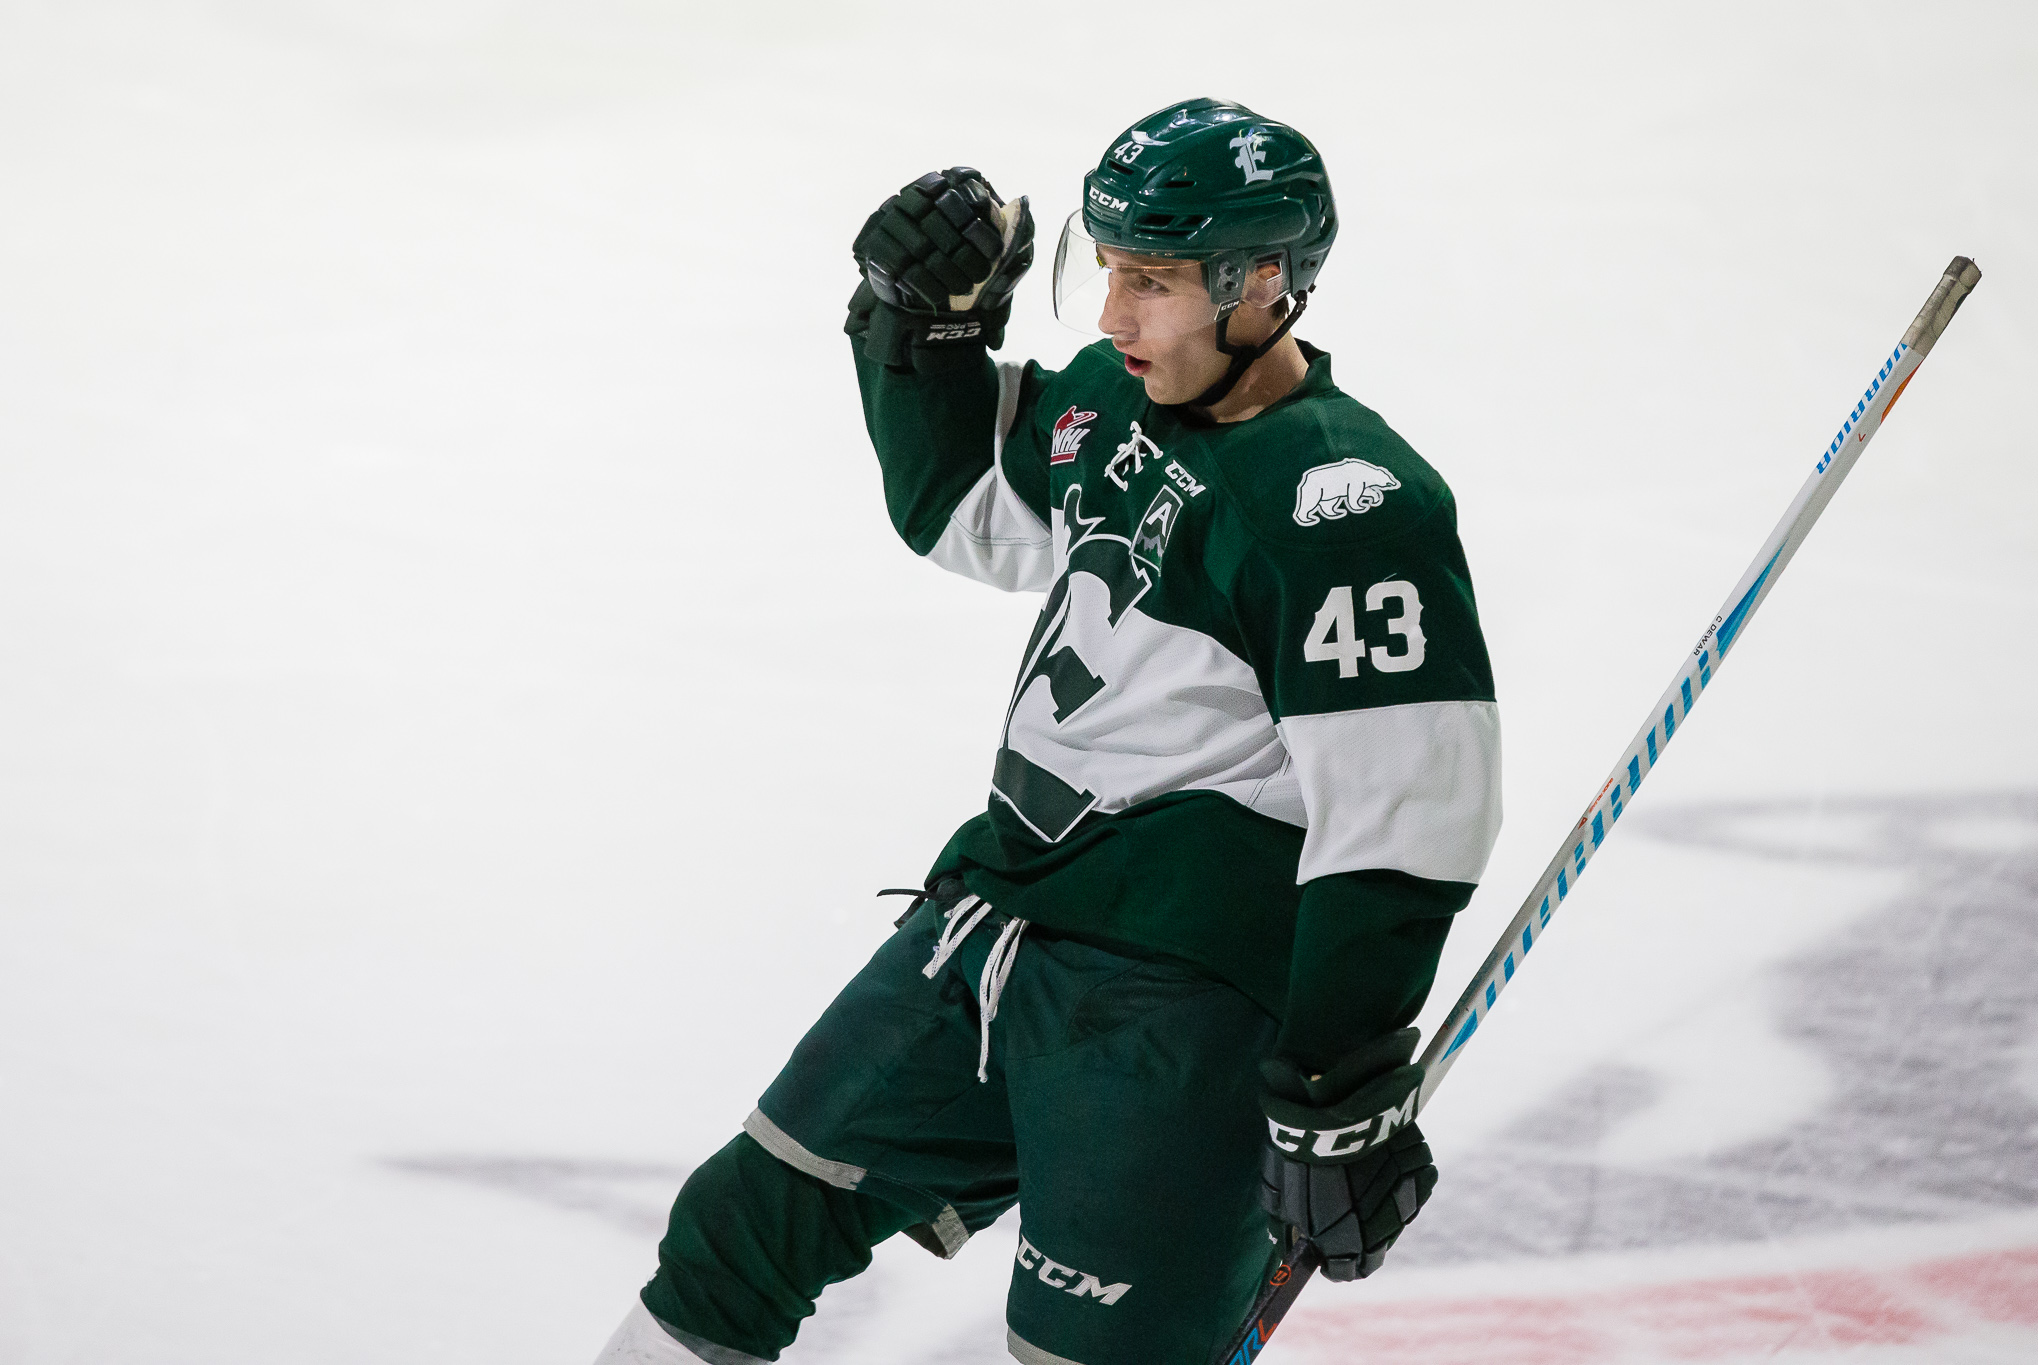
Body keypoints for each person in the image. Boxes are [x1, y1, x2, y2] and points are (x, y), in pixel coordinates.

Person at [594, 98, 1502, 1365]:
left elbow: (1407, 819)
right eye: (1108, 268)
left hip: (1173, 1007)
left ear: (1261, 286)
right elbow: (963, 501)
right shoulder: (1113, 405)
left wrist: (1331, 1084)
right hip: (992, 925)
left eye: (1154, 283)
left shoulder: (1343, 508)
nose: (1113, 316)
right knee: (740, 1231)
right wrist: (923, 335)